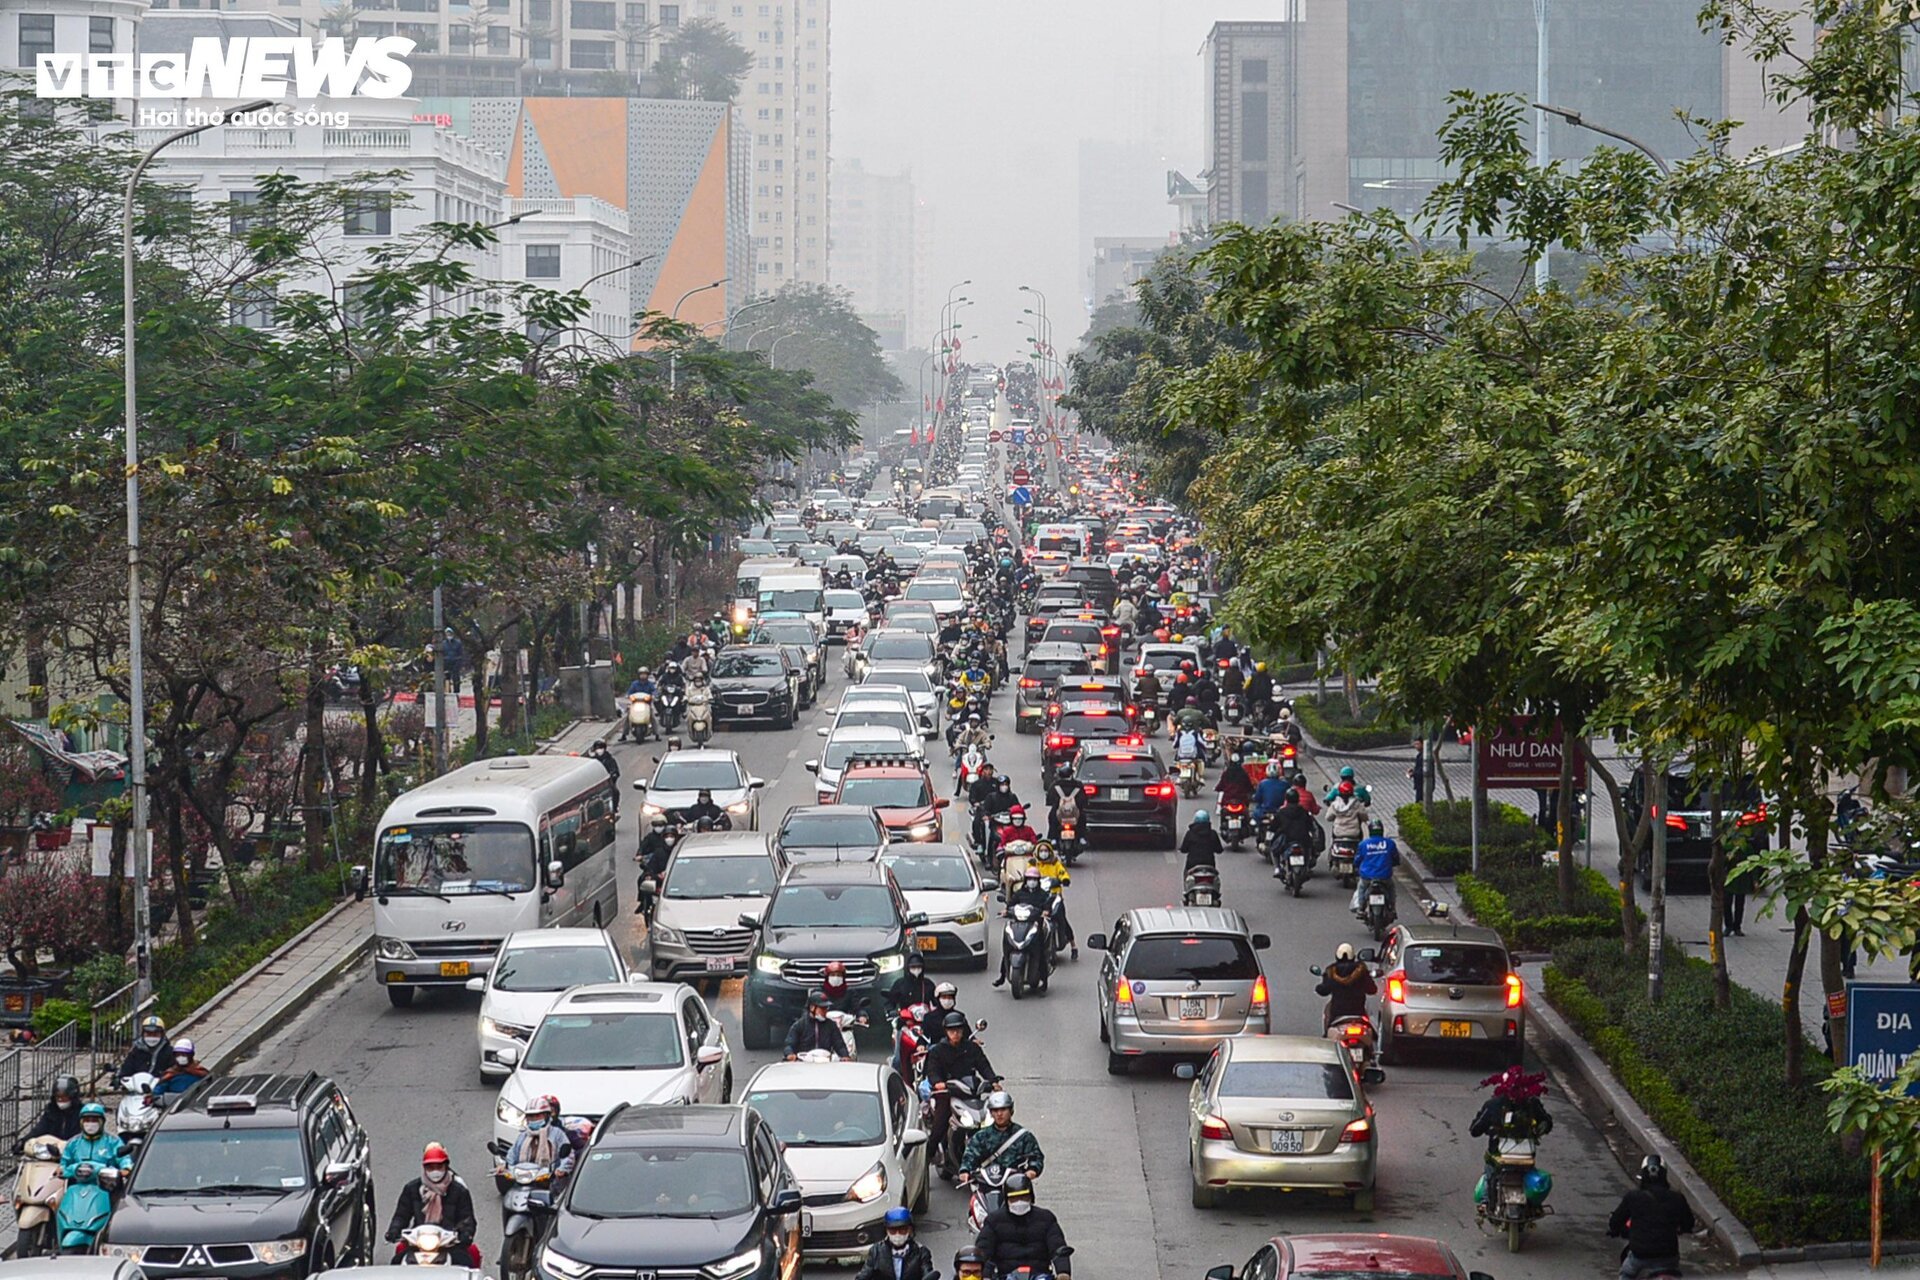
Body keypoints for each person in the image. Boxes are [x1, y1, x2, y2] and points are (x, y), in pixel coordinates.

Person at [387, 1142, 481, 1267]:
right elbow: (401, 1215)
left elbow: (467, 1218)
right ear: (424, 1168)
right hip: (417, 1243)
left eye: (439, 1166)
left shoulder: (459, 1191)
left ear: (446, 1166)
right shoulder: (412, 1189)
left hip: (450, 1244)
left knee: (466, 1263)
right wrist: (394, 1230)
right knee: (396, 1263)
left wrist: (464, 1233)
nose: (435, 1171)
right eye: (430, 1167)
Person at [925, 1012, 999, 1164]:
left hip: (971, 1093)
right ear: (946, 1031)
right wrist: (938, 1082)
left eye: (959, 1030)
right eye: (952, 1030)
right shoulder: (937, 1051)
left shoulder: (972, 1048)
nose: (956, 1033)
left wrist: (993, 1081)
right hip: (947, 1094)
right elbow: (932, 1071)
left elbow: (983, 1065)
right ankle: (928, 1155)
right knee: (940, 1123)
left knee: (991, 1119)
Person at [1609, 1155, 1697, 1279]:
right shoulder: (1677, 1198)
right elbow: (1689, 1223)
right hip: (1669, 1258)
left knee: (1626, 1274)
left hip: (1639, 1256)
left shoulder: (1633, 1197)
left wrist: (1614, 1230)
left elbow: (1615, 1222)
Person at [975, 1174, 1070, 1280]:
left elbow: (1058, 1247)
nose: (1019, 1202)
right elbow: (983, 1251)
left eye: (1023, 1197)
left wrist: (1063, 1272)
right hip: (1006, 1276)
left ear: (1031, 1196)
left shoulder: (1046, 1218)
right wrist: (985, 1275)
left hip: (1040, 1276)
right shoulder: (994, 1221)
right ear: (1007, 1199)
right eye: (1014, 1198)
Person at [1470, 1066, 1553, 1168]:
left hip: (1499, 1155)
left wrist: (1490, 1129)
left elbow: (1475, 1130)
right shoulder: (1532, 1103)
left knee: (1489, 1174)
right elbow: (1547, 1123)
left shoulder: (1494, 1104)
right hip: (1526, 1158)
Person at [960, 1091, 1045, 1182]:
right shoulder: (981, 1136)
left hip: (1014, 1183)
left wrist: (1032, 1170)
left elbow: (1036, 1157)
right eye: (995, 1110)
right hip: (986, 1183)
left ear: (1011, 1111)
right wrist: (965, 1170)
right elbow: (970, 1155)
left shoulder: (1024, 1136)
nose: (999, 1114)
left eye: (1003, 1109)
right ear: (991, 1113)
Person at [994, 869, 1053, 988]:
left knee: (1040, 951)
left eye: (1034, 880)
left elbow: (1047, 906)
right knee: (1009, 947)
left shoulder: (1042, 894)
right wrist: (1006, 911)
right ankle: (1002, 975)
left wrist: (1045, 911)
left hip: (1035, 926)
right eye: (1030, 879)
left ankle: (1044, 980)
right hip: (1019, 925)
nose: (1032, 882)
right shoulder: (1020, 893)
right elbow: (1010, 904)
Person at [504, 1094, 576, 1178]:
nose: (534, 1119)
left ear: (546, 1116)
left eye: (537, 1116)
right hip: (523, 1178)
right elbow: (512, 1155)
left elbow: (568, 1155)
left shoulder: (557, 1134)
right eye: (530, 1116)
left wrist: (562, 1169)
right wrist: (504, 1166)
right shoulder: (523, 1136)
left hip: (550, 1180)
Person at [856, 1207, 935, 1280]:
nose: (897, 1234)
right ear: (886, 1231)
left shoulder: (921, 1253)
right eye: (893, 1231)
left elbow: (927, 1272)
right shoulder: (876, 1251)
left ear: (910, 1230)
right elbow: (864, 1274)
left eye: (902, 1230)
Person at [1315, 944, 1378, 1030]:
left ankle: (1326, 1034)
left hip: (1337, 1013)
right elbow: (1372, 990)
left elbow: (1324, 990)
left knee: (1328, 1028)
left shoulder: (1331, 972)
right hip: (1358, 1012)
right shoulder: (1362, 972)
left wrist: (1319, 988)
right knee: (1372, 1030)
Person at [783, 989, 852, 1060]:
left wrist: (845, 1056)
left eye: (826, 1008)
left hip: (826, 1061)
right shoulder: (799, 1025)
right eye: (822, 1008)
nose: (825, 1011)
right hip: (804, 1062)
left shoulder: (831, 1025)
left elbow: (839, 1045)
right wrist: (790, 1054)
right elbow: (789, 1044)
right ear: (812, 1008)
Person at [1351, 819, 1400, 916]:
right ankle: (1392, 907)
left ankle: (1361, 908)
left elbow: (1357, 859)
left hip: (1367, 877)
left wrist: (1356, 866)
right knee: (1391, 888)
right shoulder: (1389, 843)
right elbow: (1395, 858)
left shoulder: (1364, 844)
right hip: (1385, 876)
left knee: (1361, 888)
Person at [1269, 788, 1317, 879]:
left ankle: (1277, 868)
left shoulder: (1281, 812)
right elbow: (1310, 826)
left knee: (1274, 849)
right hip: (1302, 838)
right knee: (1308, 848)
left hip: (1286, 838)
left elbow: (1273, 826)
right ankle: (1306, 867)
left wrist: (1272, 832)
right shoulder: (1304, 812)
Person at [24, 1074, 83, 1143]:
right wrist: (24, 1141)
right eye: (57, 1097)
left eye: (64, 1097)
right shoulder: (51, 1111)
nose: (60, 1100)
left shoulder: (81, 1112)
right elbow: (40, 1129)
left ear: (72, 1097)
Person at [118, 1015, 173, 1082]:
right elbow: (126, 1071)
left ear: (162, 1034)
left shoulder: (169, 1052)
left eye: (155, 1034)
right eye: (148, 1034)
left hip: (160, 1088)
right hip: (136, 1087)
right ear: (143, 1034)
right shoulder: (136, 1051)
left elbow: (173, 1072)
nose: (152, 1037)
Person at [1181, 809, 1224, 874]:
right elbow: (1219, 850)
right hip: (1209, 864)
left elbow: (1184, 849)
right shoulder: (1213, 834)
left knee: (1186, 875)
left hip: (1192, 865)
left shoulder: (1190, 834)